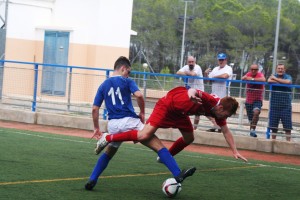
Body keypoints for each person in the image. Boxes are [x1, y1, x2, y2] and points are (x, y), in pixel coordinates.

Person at [85, 56, 196, 190]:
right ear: (123, 68)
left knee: (109, 152)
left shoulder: (103, 85)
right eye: (128, 71)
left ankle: (92, 179)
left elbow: (94, 109)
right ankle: (178, 174)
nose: (128, 74)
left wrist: (96, 128)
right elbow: (139, 95)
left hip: (113, 124)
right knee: (158, 145)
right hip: (129, 121)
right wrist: (142, 112)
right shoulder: (127, 81)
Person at [95, 86, 248, 165]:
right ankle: (108, 137)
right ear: (221, 108)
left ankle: (165, 157)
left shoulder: (218, 112)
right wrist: (190, 95)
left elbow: (225, 131)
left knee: (189, 138)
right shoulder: (210, 100)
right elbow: (193, 90)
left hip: (181, 114)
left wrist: (234, 151)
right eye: (226, 115)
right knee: (143, 135)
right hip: (167, 106)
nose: (225, 119)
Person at [204, 53, 233, 132]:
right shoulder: (215, 69)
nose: (221, 61)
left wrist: (214, 77)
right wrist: (206, 73)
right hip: (214, 93)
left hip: (224, 95)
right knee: (206, 109)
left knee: (222, 113)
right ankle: (216, 125)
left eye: (222, 60)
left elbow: (225, 76)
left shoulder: (228, 68)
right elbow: (208, 80)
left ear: (225, 60)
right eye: (220, 60)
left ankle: (220, 128)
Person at [176, 56, 204, 130]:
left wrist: (185, 73)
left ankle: (195, 128)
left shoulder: (197, 67)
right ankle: (185, 126)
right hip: (190, 92)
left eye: (192, 62)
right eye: (189, 62)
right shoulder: (186, 67)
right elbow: (178, 72)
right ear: (187, 62)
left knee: (199, 111)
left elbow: (193, 74)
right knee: (184, 107)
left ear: (195, 62)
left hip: (199, 92)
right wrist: (186, 72)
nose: (191, 63)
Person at [267, 64, 293, 141]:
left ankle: (288, 142)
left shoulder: (287, 76)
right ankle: (273, 141)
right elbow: (269, 81)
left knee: (287, 127)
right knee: (273, 127)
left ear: (284, 69)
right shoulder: (273, 76)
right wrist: (282, 82)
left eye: (282, 68)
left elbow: (288, 82)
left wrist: (275, 79)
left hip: (286, 106)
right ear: (276, 69)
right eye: (279, 68)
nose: (280, 70)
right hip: (274, 106)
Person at [241, 64, 266, 137]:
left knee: (256, 112)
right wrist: (247, 78)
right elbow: (243, 78)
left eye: (255, 69)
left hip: (257, 100)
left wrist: (251, 79)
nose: (253, 71)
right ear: (250, 69)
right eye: (252, 69)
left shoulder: (260, 74)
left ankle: (252, 130)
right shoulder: (248, 74)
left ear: (257, 70)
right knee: (251, 119)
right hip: (249, 100)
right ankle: (252, 132)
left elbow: (263, 79)